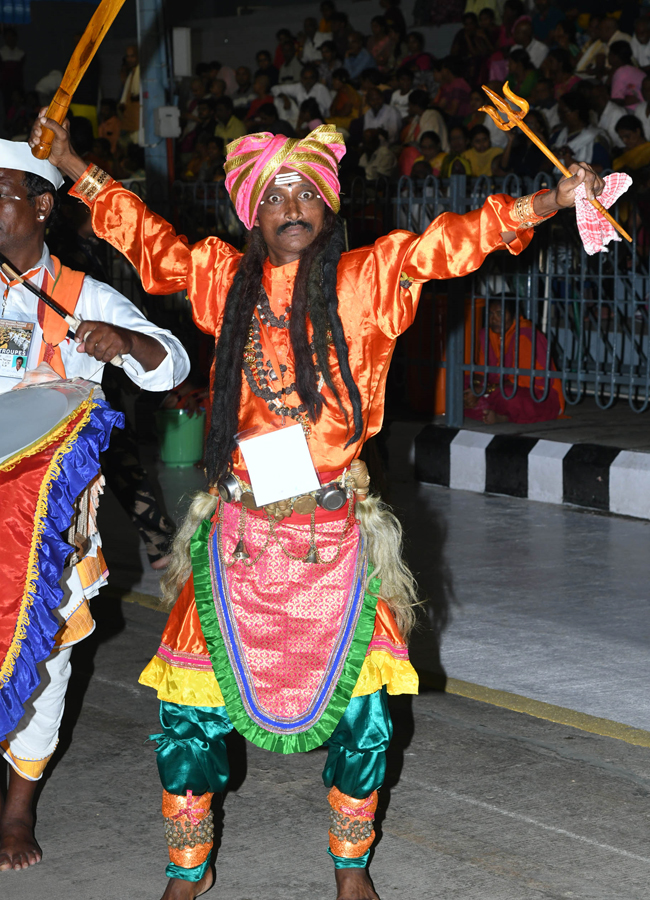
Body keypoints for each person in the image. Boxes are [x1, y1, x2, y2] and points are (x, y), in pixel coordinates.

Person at [32, 111, 602, 900]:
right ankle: (186, 871)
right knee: (190, 716)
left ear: (330, 208)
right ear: (252, 214)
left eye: (306, 191)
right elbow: (149, 241)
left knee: (366, 718)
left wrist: (547, 203)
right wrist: (69, 162)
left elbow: (453, 241)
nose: (291, 205)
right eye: (273, 195)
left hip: (335, 538)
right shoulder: (223, 278)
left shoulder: (369, 278)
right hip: (236, 539)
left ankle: (350, 868)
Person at [0, 140, 190, 871]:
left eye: (5, 192)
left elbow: (169, 362)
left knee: (46, 662)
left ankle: (17, 812)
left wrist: (127, 342)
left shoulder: (83, 293)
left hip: (48, 522)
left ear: (43, 206)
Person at [465, 299, 564, 424]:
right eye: (490, 314)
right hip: (496, 387)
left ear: (514, 315)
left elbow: (519, 379)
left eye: (500, 314)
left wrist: (483, 391)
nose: (493, 319)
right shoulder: (486, 334)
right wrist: (474, 388)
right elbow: (480, 370)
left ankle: (503, 417)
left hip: (536, 393)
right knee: (459, 384)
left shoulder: (525, 334)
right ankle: (488, 408)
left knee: (508, 395)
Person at [554, 92, 610, 172]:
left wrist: (573, 164)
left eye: (564, 112)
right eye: (559, 112)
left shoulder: (595, 137)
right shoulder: (558, 136)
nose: (561, 116)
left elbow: (604, 169)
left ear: (576, 112)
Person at [609, 41, 645, 110]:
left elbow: (617, 101)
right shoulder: (632, 69)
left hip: (636, 110)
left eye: (610, 54)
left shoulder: (621, 73)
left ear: (615, 57)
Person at [591, 82, 627, 150]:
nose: (595, 100)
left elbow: (618, 142)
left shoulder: (617, 112)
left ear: (607, 96)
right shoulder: (594, 113)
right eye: (593, 97)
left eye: (598, 97)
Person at [119, 44, 141, 141]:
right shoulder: (132, 73)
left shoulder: (141, 71)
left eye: (132, 56)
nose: (129, 59)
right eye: (128, 56)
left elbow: (137, 95)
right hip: (131, 120)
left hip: (139, 120)